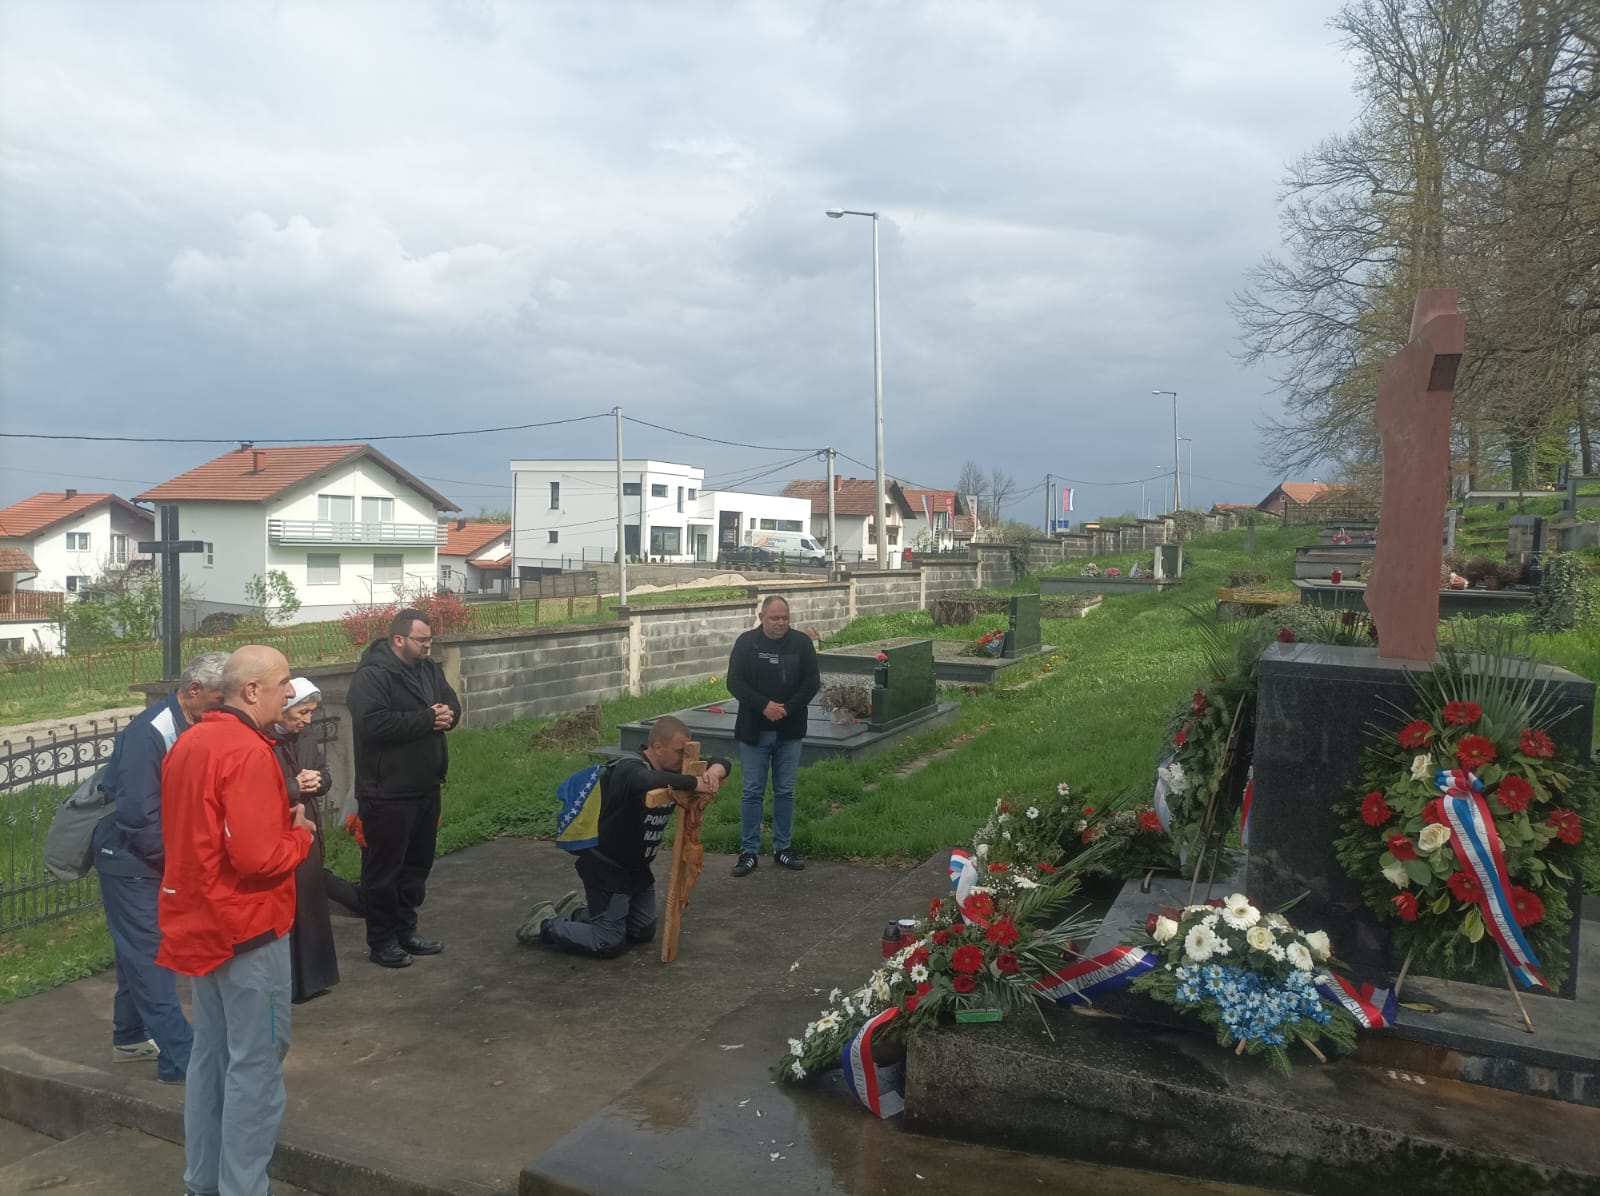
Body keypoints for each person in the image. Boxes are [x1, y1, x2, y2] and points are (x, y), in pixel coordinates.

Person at [157, 645, 314, 1196]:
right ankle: (243, 1188)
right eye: (283, 682)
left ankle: (203, 1182)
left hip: (202, 923)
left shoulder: (190, 741)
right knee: (257, 1065)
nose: (290, 692)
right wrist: (299, 835)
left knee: (211, 1057)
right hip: (247, 927)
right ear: (252, 691)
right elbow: (257, 857)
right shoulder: (246, 750)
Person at [91, 650, 227, 1085]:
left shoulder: (192, 724)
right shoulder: (150, 731)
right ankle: (182, 1059)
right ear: (194, 690)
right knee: (151, 955)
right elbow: (138, 815)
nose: (224, 707)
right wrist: (183, 865)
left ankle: (130, 1037)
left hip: (148, 856)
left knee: (136, 950)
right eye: (219, 698)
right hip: (130, 859)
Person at [521, 715, 728, 958]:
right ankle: (544, 924)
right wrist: (693, 782)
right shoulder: (629, 767)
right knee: (608, 942)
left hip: (637, 869)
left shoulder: (674, 769)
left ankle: (576, 912)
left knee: (642, 931)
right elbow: (644, 780)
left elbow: (723, 761)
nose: (684, 758)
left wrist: (712, 773)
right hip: (606, 868)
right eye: (679, 751)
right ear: (658, 747)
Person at [347, 608, 460, 969]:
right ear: (399, 639)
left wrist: (449, 716)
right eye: (421, 639)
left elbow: (450, 702)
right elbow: (373, 724)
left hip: (426, 786)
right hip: (386, 791)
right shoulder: (372, 675)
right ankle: (382, 941)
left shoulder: (429, 669)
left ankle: (406, 931)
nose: (428, 645)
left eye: (430, 639)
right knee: (384, 872)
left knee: (415, 868)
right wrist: (428, 719)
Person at [725, 595, 819, 877]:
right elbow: (734, 682)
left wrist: (786, 709)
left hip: (789, 732)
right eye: (774, 618)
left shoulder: (801, 644)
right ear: (761, 617)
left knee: (785, 791)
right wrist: (764, 706)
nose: (780, 623)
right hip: (754, 731)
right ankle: (749, 851)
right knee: (752, 792)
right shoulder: (746, 643)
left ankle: (783, 848)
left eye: (785, 618)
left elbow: (811, 683)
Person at [272, 677, 340, 1004]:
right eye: (302, 712)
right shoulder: (265, 740)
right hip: (280, 826)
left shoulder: (307, 735)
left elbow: (325, 771)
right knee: (289, 903)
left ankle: (313, 978)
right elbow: (262, 788)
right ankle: (290, 981)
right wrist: (293, 785)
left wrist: (319, 780)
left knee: (311, 900)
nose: (307, 719)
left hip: (307, 823)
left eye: (311, 712)